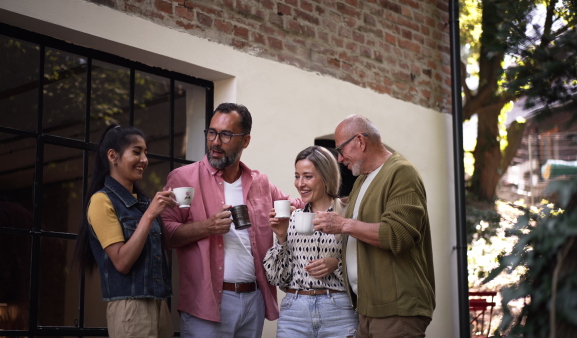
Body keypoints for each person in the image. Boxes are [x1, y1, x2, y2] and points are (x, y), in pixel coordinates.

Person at [161, 103, 304, 338]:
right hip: (206, 305)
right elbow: (165, 233)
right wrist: (208, 226)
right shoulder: (183, 178)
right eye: (212, 132)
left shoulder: (260, 183)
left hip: (254, 300)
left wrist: (334, 199)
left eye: (226, 135)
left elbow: (295, 205)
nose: (215, 141)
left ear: (245, 141)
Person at [313, 115, 435, 338]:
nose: (339, 159)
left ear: (360, 141)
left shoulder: (401, 172)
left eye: (341, 149)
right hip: (369, 309)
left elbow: (398, 234)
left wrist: (343, 225)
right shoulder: (363, 179)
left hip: (396, 310)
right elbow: (346, 211)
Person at [74, 125, 174, 338]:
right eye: (136, 152)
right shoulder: (101, 201)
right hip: (130, 308)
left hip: (159, 304)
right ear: (113, 156)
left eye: (145, 152)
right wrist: (149, 216)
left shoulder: (143, 202)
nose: (144, 159)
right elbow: (121, 262)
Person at [263, 146, 359, 338]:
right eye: (297, 176)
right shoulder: (290, 218)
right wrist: (281, 237)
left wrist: (337, 265)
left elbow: (365, 266)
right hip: (294, 312)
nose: (300, 184)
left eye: (308, 176)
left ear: (326, 177)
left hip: (338, 311)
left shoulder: (348, 216)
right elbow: (276, 278)